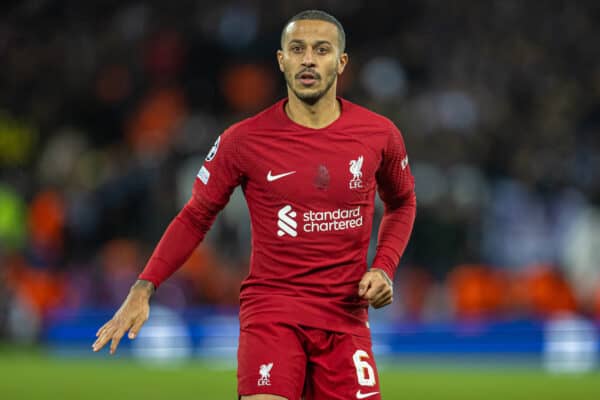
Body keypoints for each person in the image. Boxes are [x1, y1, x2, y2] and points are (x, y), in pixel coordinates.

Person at [92, 9, 416, 400]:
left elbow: (402, 202)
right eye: (297, 49)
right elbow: (196, 215)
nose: (308, 59)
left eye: (321, 49)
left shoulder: (379, 134)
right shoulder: (243, 140)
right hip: (273, 316)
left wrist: (384, 267)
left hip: (345, 320)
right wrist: (143, 289)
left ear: (341, 61)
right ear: (282, 60)